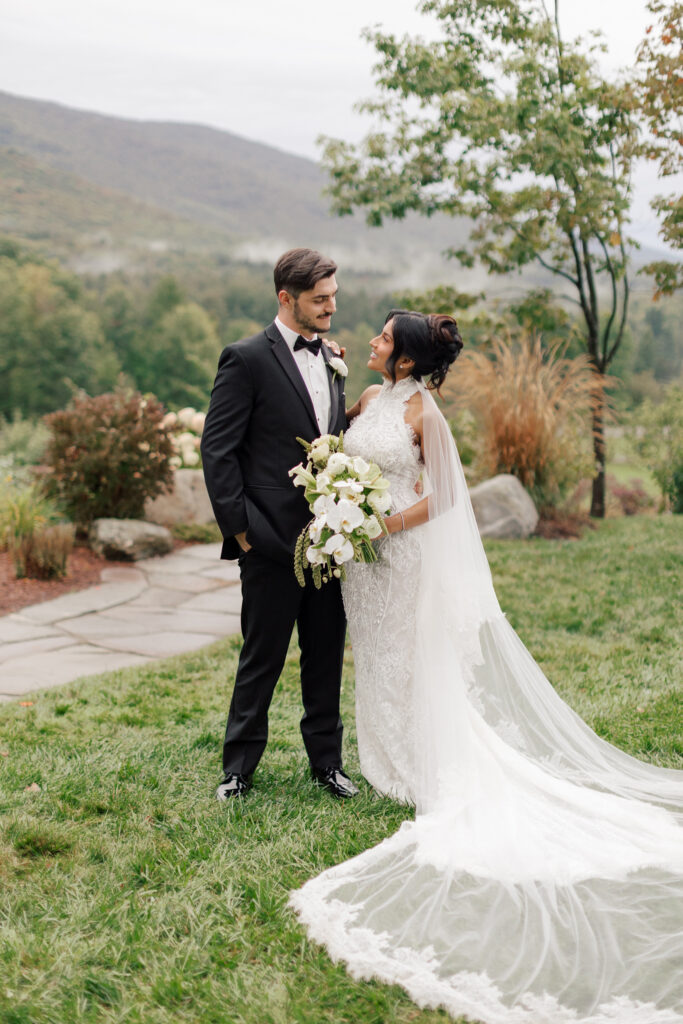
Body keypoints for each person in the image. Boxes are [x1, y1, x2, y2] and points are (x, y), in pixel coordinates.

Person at [289, 310, 683, 1024]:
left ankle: (419, 762)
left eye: (382, 339)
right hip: (364, 567)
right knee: (375, 657)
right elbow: (338, 434)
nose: (372, 341)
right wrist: (337, 374)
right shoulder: (371, 399)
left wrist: (377, 523)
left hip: (399, 554)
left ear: (405, 362)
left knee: (409, 658)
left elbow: (442, 497)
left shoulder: (423, 415)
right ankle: (383, 757)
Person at [201, 248, 358, 801]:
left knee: (325, 655)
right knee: (261, 656)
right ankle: (238, 770)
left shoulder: (334, 358)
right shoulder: (244, 359)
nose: (330, 307)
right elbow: (218, 450)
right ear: (285, 298)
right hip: (268, 540)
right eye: (320, 299)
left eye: (333, 295)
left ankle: (328, 764)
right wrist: (241, 531)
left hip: (331, 539)